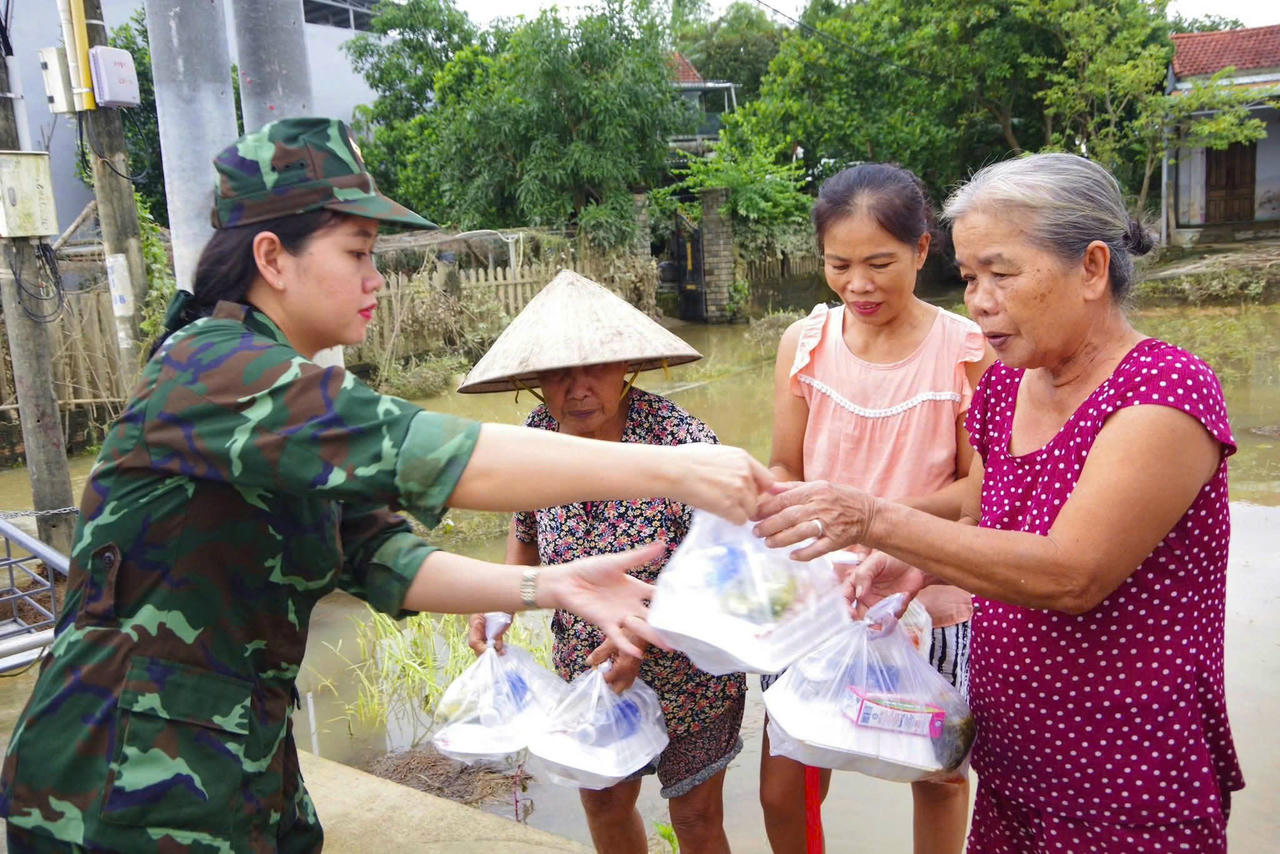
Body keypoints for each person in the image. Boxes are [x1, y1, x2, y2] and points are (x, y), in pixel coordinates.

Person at [0, 118, 771, 853]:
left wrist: (549, 585)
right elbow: (433, 452)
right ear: (273, 259)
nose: (376, 277)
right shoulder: (218, 370)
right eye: (357, 252)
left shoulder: (285, 394)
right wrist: (677, 468)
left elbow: (379, 556)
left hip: (233, 764)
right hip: (122, 782)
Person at [754, 152, 1244, 852]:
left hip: (1124, 770)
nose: (979, 300)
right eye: (971, 277)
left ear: (1093, 268)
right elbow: (988, 508)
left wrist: (875, 520)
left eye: (1002, 273)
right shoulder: (1011, 385)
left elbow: (1071, 573)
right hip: (1013, 761)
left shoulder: (1163, 392)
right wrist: (911, 567)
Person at [461, 271, 746, 854]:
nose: (579, 387)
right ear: (534, 381)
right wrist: (500, 604)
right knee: (603, 802)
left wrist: (640, 634)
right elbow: (526, 531)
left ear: (629, 368)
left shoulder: (681, 442)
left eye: (595, 367)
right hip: (588, 667)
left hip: (690, 672)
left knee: (694, 820)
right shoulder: (537, 436)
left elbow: (724, 575)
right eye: (560, 373)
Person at [760, 163, 993, 854]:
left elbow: (980, 486)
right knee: (787, 772)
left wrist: (876, 521)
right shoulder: (803, 345)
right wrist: (788, 514)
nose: (858, 284)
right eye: (839, 264)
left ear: (924, 250)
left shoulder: (967, 349)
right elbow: (784, 466)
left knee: (938, 772)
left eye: (880, 262)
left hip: (928, 597)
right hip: (819, 594)